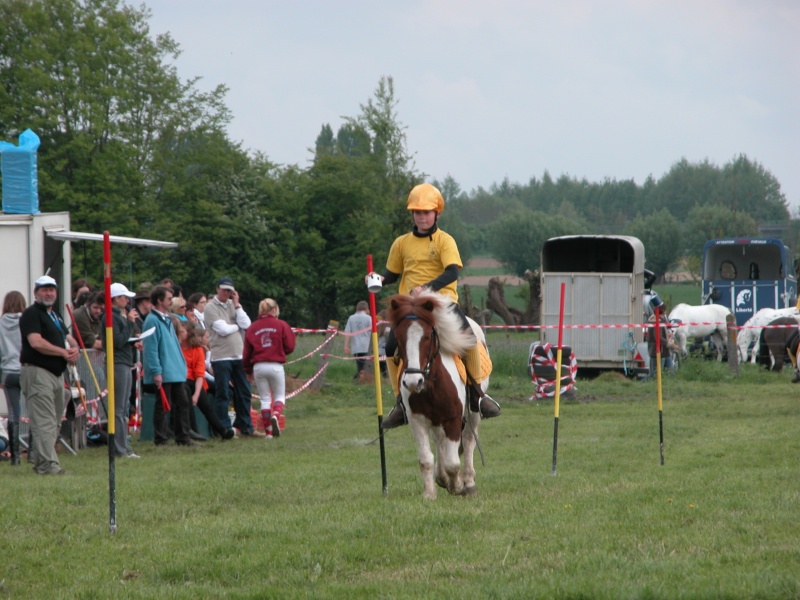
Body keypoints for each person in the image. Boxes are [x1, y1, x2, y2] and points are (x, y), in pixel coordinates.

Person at [367, 183, 500, 429]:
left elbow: (451, 273)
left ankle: (477, 395)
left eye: (426, 212)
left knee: (469, 339)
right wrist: (378, 279)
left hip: (443, 303)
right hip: (410, 307)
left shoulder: (444, 240)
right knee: (390, 346)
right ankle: (400, 403)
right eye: (417, 212)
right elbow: (393, 273)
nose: (422, 216)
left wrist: (427, 288)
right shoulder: (401, 243)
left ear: (437, 213)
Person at [19, 275, 80, 475]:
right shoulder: (31, 314)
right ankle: (50, 466)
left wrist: (75, 349)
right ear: (36, 293)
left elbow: (68, 338)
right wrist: (64, 352)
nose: (49, 293)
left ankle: (41, 461)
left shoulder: (55, 315)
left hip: (56, 373)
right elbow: (36, 342)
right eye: (44, 290)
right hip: (37, 372)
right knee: (44, 420)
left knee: (53, 420)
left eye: (52, 289)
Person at [141, 286, 198, 446]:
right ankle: (160, 438)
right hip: (165, 371)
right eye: (168, 299)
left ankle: (183, 436)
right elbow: (151, 349)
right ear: (159, 300)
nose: (170, 301)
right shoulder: (152, 321)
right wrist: (156, 371)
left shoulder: (167, 319)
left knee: (182, 403)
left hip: (174, 371)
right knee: (162, 406)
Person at [204, 276, 259, 436]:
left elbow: (247, 324)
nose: (227, 293)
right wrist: (236, 326)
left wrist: (237, 304)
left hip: (238, 355)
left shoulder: (233, 306)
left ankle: (245, 426)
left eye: (230, 291)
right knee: (223, 393)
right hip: (221, 357)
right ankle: (224, 428)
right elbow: (222, 330)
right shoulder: (210, 307)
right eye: (224, 289)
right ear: (217, 289)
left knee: (244, 392)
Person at [243, 298, 296, 438]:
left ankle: (268, 433)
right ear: (274, 310)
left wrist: (248, 370)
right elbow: (290, 346)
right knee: (279, 396)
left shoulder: (252, 327)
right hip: (275, 365)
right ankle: (276, 415)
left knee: (265, 399)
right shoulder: (281, 325)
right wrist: (281, 351)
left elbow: (246, 352)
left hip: (258, 366)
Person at [102, 283, 141, 458]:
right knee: (119, 409)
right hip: (117, 363)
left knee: (122, 408)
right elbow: (116, 341)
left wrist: (133, 339)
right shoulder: (111, 317)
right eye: (124, 297)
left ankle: (123, 447)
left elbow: (121, 340)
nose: (127, 300)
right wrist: (131, 325)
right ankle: (120, 449)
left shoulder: (118, 316)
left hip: (123, 362)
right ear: (116, 299)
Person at [179, 320, 235, 440]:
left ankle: (222, 431)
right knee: (186, 395)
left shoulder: (197, 349)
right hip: (181, 380)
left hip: (196, 381)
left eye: (182, 331)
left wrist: (197, 394)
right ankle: (192, 431)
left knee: (205, 405)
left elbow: (200, 373)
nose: (179, 333)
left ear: (188, 333)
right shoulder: (177, 347)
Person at [0, 290, 26, 465]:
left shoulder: (0, 323)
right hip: (26, 369)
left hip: (8, 371)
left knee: (13, 413)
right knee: (33, 410)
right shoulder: (26, 322)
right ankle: (33, 453)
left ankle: (15, 457)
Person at [343, 301, 372, 380]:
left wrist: (346, 345)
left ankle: (359, 378)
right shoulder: (369, 318)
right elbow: (373, 331)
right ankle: (362, 379)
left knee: (360, 365)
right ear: (366, 309)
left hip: (356, 346)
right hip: (367, 345)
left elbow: (348, 332)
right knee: (366, 366)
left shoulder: (351, 318)